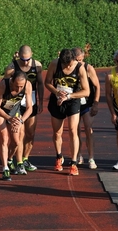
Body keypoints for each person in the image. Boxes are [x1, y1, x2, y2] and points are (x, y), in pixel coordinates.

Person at [45, 48, 90, 176]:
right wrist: (57, 92)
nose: (67, 66)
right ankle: (59, 156)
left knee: (72, 130)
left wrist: (69, 96)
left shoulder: (80, 67)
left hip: (72, 100)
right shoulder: (54, 64)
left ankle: (74, 162)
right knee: (57, 132)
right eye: (65, 65)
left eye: (69, 64)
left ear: (74, 59)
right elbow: (47, 82)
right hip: (57, 99)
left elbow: (86, 91)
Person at [4, 45, 44, 172]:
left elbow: (40, 83)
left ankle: (25, 159)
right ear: (18, 55)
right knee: (20, 134)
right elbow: (5, 86)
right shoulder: (11, 68)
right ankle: (19, 161)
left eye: (28, 59)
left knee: (30, 133)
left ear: (32, 54)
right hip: (16, 102)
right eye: (23, 59)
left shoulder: (37, 65)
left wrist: (41, 101)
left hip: (30, 100)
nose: (26, 62)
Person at [0, 71, 33, 181]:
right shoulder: (3, 85)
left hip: (15, 112)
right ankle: (5, 168)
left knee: (16, 142)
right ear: (12, 81)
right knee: (4, 138)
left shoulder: (28, 85)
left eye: (21, 86)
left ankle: (10, 159)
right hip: (1, 112)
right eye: (16, 86)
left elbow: (30, 108)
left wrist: (21, 121)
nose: (19, 89)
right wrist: (9, 118)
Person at [72, 47, 101, 169]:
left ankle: (91, 158)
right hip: (74, 102)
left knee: (88, 129)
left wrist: (96, 103)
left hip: (87, 103)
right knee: (75, 130)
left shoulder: (88, 68)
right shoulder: (70, 67)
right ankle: (78, 155)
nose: (79, 62)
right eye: (76, 60)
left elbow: (97, 86)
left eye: (81, 59)